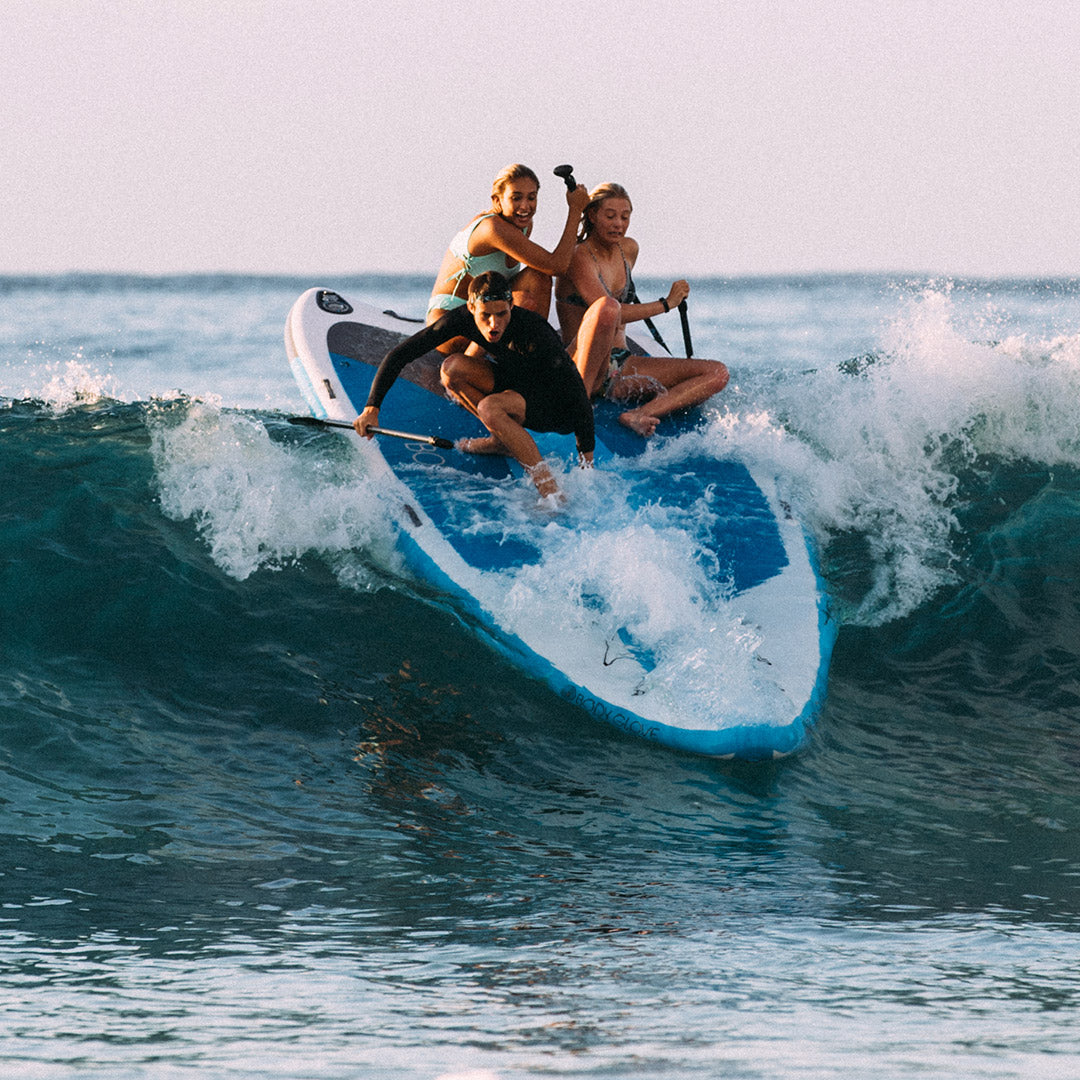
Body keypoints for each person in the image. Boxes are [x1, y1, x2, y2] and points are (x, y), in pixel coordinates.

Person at [355, 272, 594, 501]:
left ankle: (551, 493)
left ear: (511, 305)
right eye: (485, 316)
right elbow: (401, 354)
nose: (494, 324)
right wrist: (371, 409)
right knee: (451, 370)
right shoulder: (462, 318)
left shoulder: (535, 332)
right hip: (514, 383)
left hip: (551, 406)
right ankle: (501, 441)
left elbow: (575, 390)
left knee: (490, 408)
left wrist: (587, 462)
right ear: (471, 308)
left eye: (501, 314)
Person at [555, 182, 730, 437]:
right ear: (592, 216)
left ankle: (638, 415)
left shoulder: (628, 250)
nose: (619, 224)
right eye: (610, 216)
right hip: (583, 364)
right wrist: (666, 304)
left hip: (621, 365)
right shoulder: (579, 256)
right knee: (607, 308)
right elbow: (612, 313)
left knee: (717, 373)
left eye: (625, 217)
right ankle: (579, 405)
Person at [427, 163, 591, 338]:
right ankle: (526, 351)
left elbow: (550, 269)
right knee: (542, 273)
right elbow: (557, 266)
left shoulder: (523, 226)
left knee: (539, 276)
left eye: (531, 197)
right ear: (497, 200)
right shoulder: (492, 229)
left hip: (490, 314)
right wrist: (575, 210)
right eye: (516, 198)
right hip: (450, 319)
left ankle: (534, 347)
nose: (525, 206)